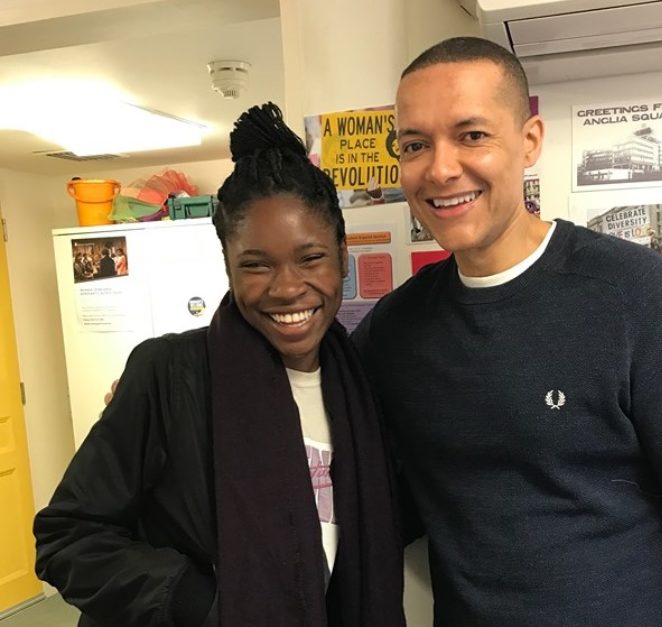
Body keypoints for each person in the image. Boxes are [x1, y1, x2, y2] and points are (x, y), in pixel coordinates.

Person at [350, 37, 662, 625]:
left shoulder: (635, 295)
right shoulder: (394, 331)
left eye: (471, 135)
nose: (441, 168)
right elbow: (358, 489)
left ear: (529, 141)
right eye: (415, 144)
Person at [33, 103, 405, 627]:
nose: (287, 287)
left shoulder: (361, 382)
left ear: (342, 256)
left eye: (310, 257)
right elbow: (66, 536)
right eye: (256, 264)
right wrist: (196, 601)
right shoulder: (170, 375)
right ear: (227, 266)